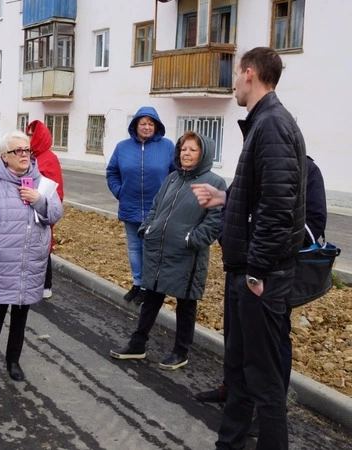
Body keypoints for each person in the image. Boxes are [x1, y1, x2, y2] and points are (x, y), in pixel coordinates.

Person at [191, 47, 306, 450]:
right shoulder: (262, 123)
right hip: (246, 272)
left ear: (251, 74)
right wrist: (226, 200)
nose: (233, 82)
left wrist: (256, 270)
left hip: (261, 278)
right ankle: (230, 444)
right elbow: (263, 191)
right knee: (239, 371)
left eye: (236, 74)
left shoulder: (272, 124)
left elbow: (278, 207)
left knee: (264, 381)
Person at [195, 155, 327, 408]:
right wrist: (227, 238)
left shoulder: (306, 169)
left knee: (272, 342)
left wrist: (270, 252)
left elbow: (314, 224)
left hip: (272, 273)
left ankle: (267, 408)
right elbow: (230, 206)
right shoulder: (253, 164)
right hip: (239, 267)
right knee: (235, 334)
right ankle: (233, 390)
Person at [110, 131, 226, 369]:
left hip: (187, 255)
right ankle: (137, 344)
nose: (186, 153)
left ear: (204, 154)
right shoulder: (172, 179)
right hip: (160, 251)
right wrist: (147, 228)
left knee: (186, 303)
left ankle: (181, 351)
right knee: (151, 297)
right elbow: (155, 207)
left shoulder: (213, 183)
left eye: (193, 150)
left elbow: (214, 222)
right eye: (183, 149)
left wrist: (190, 240)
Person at [0, 130, 63, 385]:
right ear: (4, 156)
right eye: (17, 151)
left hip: (29, 262)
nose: (24, 155)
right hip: (1, 260)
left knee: (21, 315)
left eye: (27, 150)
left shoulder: (42, 183)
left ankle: (13, 361)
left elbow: (54, 214)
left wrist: (39, 200)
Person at [106, 107, 176, 305]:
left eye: (151, 123)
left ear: (157, 126)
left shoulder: (167, 146)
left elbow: (176, 174)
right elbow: (112, 172)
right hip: (130, 206)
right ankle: (137, 283)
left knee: (150, 248)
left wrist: (168, 198)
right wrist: (120, 192)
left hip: (157, 210)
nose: (147, 127)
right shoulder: (122, 147)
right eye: (143, 123)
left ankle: (147, 287)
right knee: (135, 248)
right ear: (135, 125)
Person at [25, 120, 65, 299]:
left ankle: (46, 284)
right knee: (29, 244)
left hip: (42, 209)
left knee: (43, 247)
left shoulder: (49, 158)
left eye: (32, 134)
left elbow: (56, 188)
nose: (29, 137)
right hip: (26, 206)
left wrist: (45, 206)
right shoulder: (28, 155)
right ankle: (31, 281)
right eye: (28, 134)